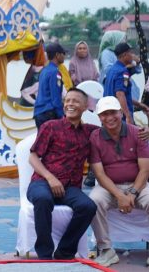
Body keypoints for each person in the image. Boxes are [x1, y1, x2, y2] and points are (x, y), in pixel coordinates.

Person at [27, 88, 98, 259]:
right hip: (42, 182)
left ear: (85, 106)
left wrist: (143, 131)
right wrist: (51, 178)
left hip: (70, 188)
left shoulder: (91, 132)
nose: (70, 104)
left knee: (88, 206)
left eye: (75, 101)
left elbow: (115, 128)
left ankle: (64, 251)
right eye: (67, 101)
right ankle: (44, 253)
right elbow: (33, 157)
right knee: (43, 199)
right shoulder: (51, 126)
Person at [88, 96, 149, 267]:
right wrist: (119, 196)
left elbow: (145, 169)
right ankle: (107, 250)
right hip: (108, 187)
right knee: (93, 201)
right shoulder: (95, 137)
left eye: (113, 112)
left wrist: (132, 193)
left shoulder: (138, 133)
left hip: (138, 185)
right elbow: (99, 173)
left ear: (121, 113)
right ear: (99, 117)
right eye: (104, 114)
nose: (109, 117)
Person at [103, 42, 148, 125]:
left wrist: (140, 105)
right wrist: (127, 116)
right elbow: (120, 94)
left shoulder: (112, 70)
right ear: (125, 55)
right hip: (120, 117)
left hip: (109, 115)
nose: (133, 55)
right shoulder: (122, 71)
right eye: (131, 52)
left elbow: (124, 94)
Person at [33, 43, 67, 129]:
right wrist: (62, 116)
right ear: (57, 55)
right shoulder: (55, 72)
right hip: (49, 113)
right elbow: (55, 97)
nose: (64, 56)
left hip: (39, 112)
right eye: (63, 54)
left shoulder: (44, 71)